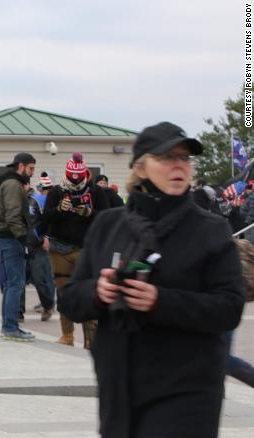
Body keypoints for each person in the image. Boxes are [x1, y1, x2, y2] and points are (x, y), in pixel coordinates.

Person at [59, 121, 245, 438]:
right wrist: (98, 292)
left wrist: (160, 301)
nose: (178, 165)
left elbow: (228, 307)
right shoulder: (108, 224)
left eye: (184, 158)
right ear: (142, 167)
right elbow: (70, 299)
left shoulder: (210, 229)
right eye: (167, 157)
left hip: (186, 389)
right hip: (119, 386)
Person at [43, 152, 110, 348]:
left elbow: (107, 217)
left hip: (86, 249)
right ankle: (67, 335)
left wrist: (89, 212)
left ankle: (91, 338)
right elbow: (45, 217)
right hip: (59, 249)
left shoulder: (96, 192)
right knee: (63, 292)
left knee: (89, 292)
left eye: (79, 179)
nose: (75, 183)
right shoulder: (56, 192)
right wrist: (59, 209)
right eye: (72, 178)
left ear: (85, 175)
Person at [0, 152, 36, 341]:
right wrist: (24, 238)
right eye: (31, 168)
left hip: (5, 237)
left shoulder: (9, 184)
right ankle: (10, 327)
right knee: (16, 283)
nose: (32, 173)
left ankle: (8, 325)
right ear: (21, 166)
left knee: (11, 284)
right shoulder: (13, 185)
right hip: (10, 238)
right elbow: (12, 215)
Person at [25, 184, 55, 321]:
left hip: (36, 244)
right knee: (18, 281)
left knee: (39, 278)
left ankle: (48, 305)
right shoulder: (13, 199)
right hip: (20, 244)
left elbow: (48, 220)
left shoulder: (37, 199)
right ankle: (18, 312)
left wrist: (46, 238)